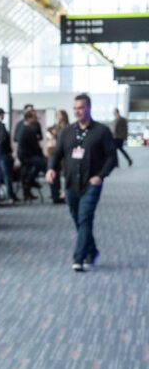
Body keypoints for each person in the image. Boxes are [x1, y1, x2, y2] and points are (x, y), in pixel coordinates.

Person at [47, 93, 117, 272]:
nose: (78, 111)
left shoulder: (101, 131)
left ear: (89, 108)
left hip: (91, 184)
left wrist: (100, 176)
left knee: (85, 217)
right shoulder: (67, 132)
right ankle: (92, 251)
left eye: (81, 108)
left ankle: (78, 257)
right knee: (79, 220)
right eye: (75, 108)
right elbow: (56, 153)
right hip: (71, 184)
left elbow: (111, 157)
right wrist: (51, 168)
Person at [16, 109, 46, 202]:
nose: (36, 119)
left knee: (37, 165)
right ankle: (30, 182)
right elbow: (36, 146)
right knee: (45, 164)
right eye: (34, 117)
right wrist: (43, 156)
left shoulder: (23, 127)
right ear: (29, 118)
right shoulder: (29, 129)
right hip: (27, 157)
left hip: (23, 156)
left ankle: (29, 182)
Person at [0, 108, 17, 203]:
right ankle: (10, 195)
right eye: (2, 114)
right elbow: (3, 139)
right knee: (7, 175)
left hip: (1, 154)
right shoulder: (0, 126)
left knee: (4, 175)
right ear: (0, 115)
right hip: (3, 154)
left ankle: (9, 195)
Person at [46, 110, 69, 203]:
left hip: (65, 152)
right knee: (57, 172)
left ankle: (66, 192)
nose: (58, 116)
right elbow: (49, 130)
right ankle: (58, 193)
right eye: (57, 115)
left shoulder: (67, 126)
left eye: (59, 115)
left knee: (66, 173)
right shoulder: (56, 126)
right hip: (56, 151)